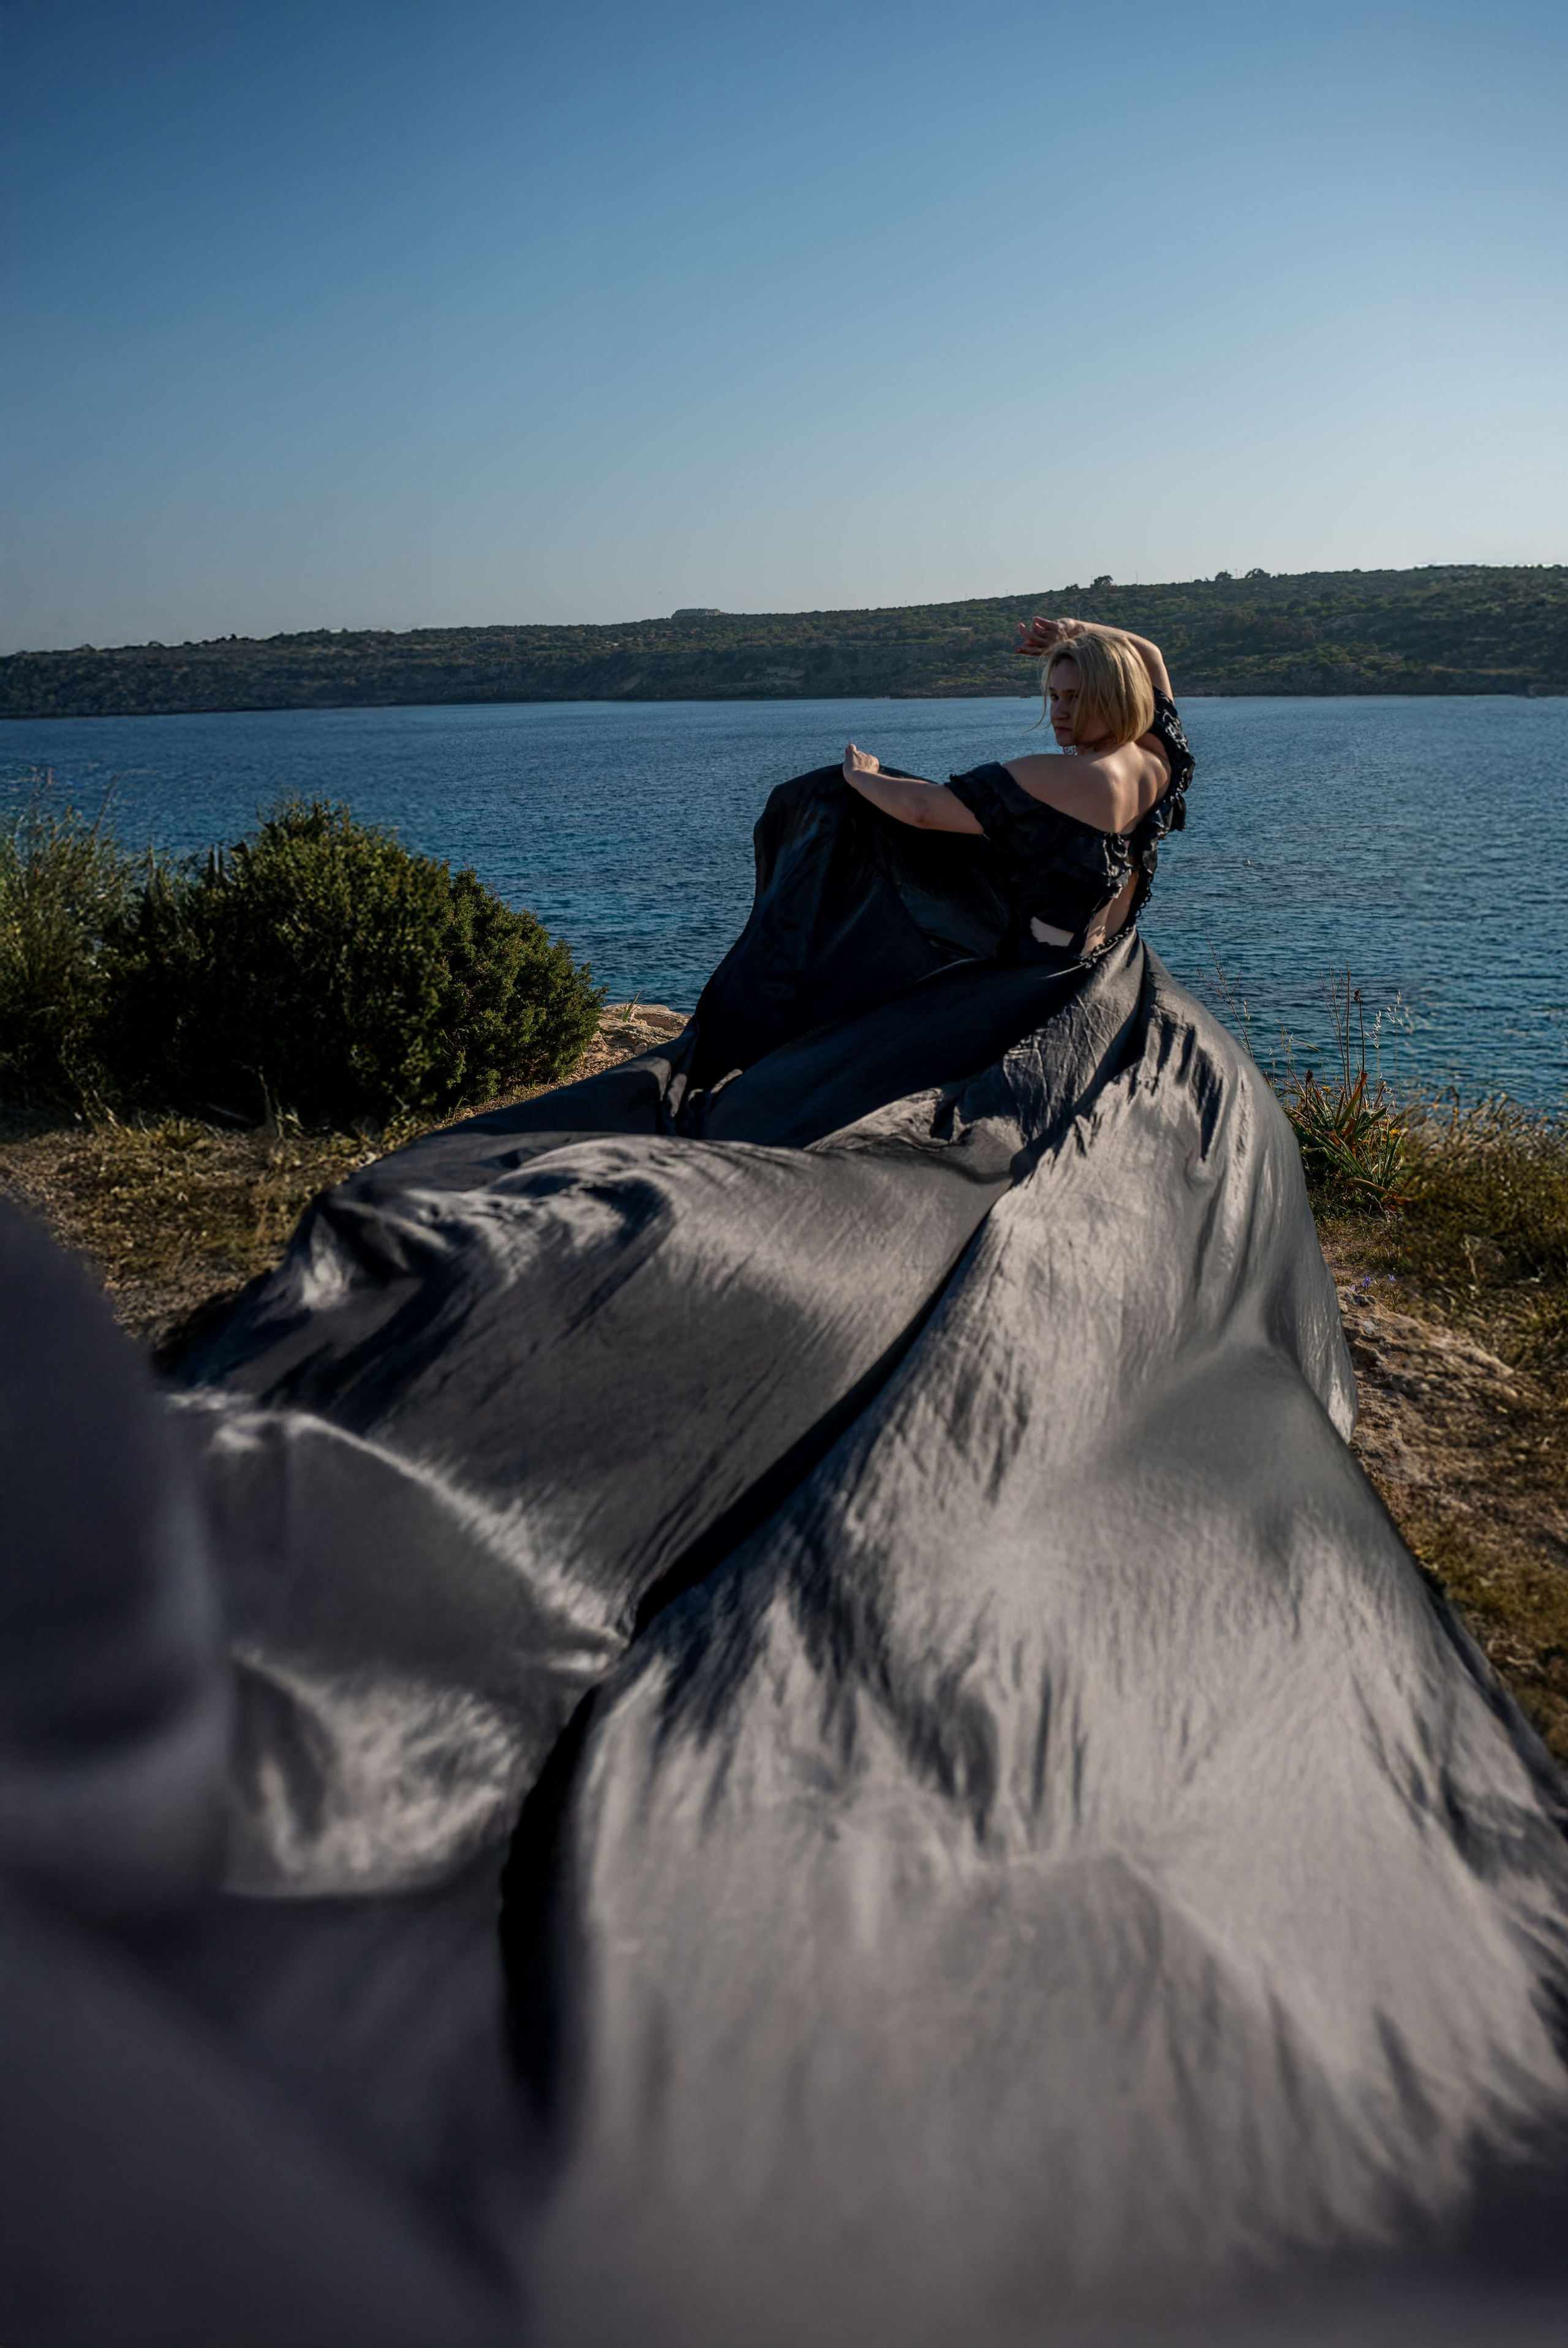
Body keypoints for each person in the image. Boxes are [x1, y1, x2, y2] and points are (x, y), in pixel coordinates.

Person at [11, 610, 1568, 2348]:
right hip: (1097, 1002)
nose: (1048, 703)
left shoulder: (1067, 770)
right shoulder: (1152, 769)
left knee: (893, 1161)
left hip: (1015, 1016)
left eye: (1065, 683)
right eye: (1051, 688)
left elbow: (913, 812)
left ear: (1100, 708)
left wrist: (850, 780)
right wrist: (1057, 663)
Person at [841, 614, 1193, 959]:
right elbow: (1149, 654)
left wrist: (861, 776)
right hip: (1111, 961)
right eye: (1055, 696)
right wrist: (1076, 630)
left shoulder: (1064, 775)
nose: (1059, 713)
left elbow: (922, 810)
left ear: (1115, 696)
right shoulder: (1160, 756)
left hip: (1041, 978)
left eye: (1078, 697)